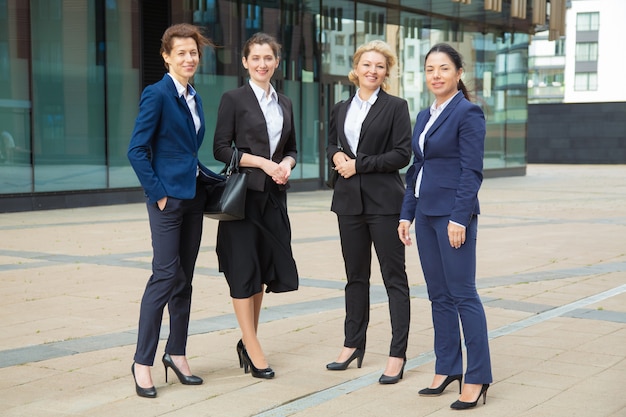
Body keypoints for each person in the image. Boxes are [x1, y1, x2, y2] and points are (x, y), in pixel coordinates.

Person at [398, 43, 492, 410]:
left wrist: (459, 217)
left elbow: (472, 172)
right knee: (438, 295)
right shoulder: (424, 115)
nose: (436, 75)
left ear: (458, 73)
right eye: (430, 69)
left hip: (453, 217)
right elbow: (415, 168)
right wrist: (407, 213)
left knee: (463, 295)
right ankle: (448, 366)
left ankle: (478, 376)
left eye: (443, 68)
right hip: (425, 215)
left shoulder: (468, 113)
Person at [127, 23, 214, 398]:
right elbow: (136, 149)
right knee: (163, 277)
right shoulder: (157, 93)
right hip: (168, 201)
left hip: (193, 198)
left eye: (193, 52)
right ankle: (142, 362)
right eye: (181, 52)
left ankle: (176, 352)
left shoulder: (193, 95)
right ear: (166, 56)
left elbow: (189, 151)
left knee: (184, 279)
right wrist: (158, 193)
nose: (189, 58)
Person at [325, 40, 412, 384]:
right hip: (349, 204)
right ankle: (352, 344)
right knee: (355, 278)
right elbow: (332, 143)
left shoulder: (396, 107)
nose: (372, 70)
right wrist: (335, 157)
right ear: (356, 68)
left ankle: (397, 354)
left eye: (379, 66)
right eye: (367, 64)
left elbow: (401, 154)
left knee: (395, 280)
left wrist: (359, 165)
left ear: (386, 72)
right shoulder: (340, 108)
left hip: (384, 204)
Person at [213, 32, 299, 379]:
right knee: (243, 269)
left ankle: (249, 341)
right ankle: (253, 346)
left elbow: (292, 148)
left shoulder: (286, 103)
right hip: (244, 199)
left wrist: (287, 165)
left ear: (276, 63)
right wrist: (263, 163)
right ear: (245, 62)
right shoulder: (233, 99)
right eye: (256, 58)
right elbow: (220, 148)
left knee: (262, 270)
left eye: (269, 58)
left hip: (274, 198)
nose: (262, 64)